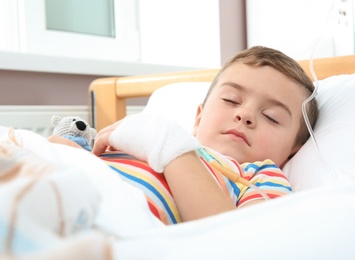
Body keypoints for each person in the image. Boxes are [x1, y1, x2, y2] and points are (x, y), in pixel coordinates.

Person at [50, 46, 318, 225]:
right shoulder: (140, 137)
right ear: (198, 117)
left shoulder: (258, 177)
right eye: (231, 99)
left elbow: (240, 241)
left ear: (294, 149)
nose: (245, 115)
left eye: (271, 116)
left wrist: (165, 141)